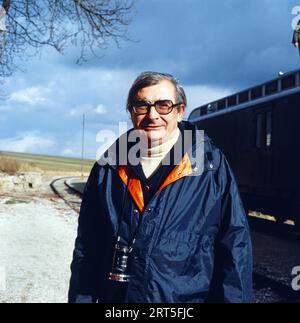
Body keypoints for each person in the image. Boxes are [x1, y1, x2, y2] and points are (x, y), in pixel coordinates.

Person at [68, 71, 253, 303]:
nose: (152, 115)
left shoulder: (210, 168)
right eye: (142, 106)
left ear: (179, 111)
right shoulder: (109, 167)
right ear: (131, 111)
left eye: (163, 105)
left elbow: (235, 248)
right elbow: (87, 249)